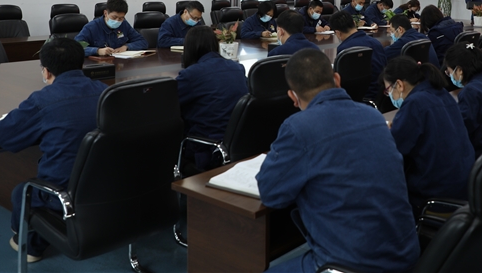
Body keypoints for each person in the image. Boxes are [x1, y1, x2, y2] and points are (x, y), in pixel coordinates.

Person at [256, 50, 420, 273]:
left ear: (293, 97)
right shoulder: (373, 116)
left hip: (353, 265)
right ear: (337, 79)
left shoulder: (298, 128)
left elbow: (270, 193)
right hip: (406, 254)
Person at [0, 38, 108, 262]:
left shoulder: (43, 100)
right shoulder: (106, 92)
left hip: (66, 195)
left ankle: (31, 246)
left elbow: (0, 136)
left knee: (22, 192)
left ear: (46, 71)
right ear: (81, 64)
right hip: (110, 186)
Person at [383, 56, 475, 218]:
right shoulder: (441, 93)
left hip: (436, 196)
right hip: (464, 188)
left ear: (399, 84)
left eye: (388, 89)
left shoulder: (415, 104)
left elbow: (392, 151)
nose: (389, 94)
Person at [176, 25, 247, 173]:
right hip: (238, 143)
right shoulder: (237, 68)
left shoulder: (191, 75)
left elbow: (169, 106)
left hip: (206, 148)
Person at [332, 10, 387, 101]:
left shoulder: (345, 49)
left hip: (359, 98)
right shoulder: (375, 42)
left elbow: (342, 81)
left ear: (338, 33)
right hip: (380, 95)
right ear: (354, 23)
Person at [75, 0, 147, 56]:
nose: (117, 21)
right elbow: (76, 47)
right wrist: (97, 51)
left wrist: (126, 47)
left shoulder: (124, 24)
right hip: (99, 65)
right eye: (114, 17)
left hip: (119, 62)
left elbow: (142, 42)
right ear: (105, 13)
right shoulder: (91, 27)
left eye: (121, 18)